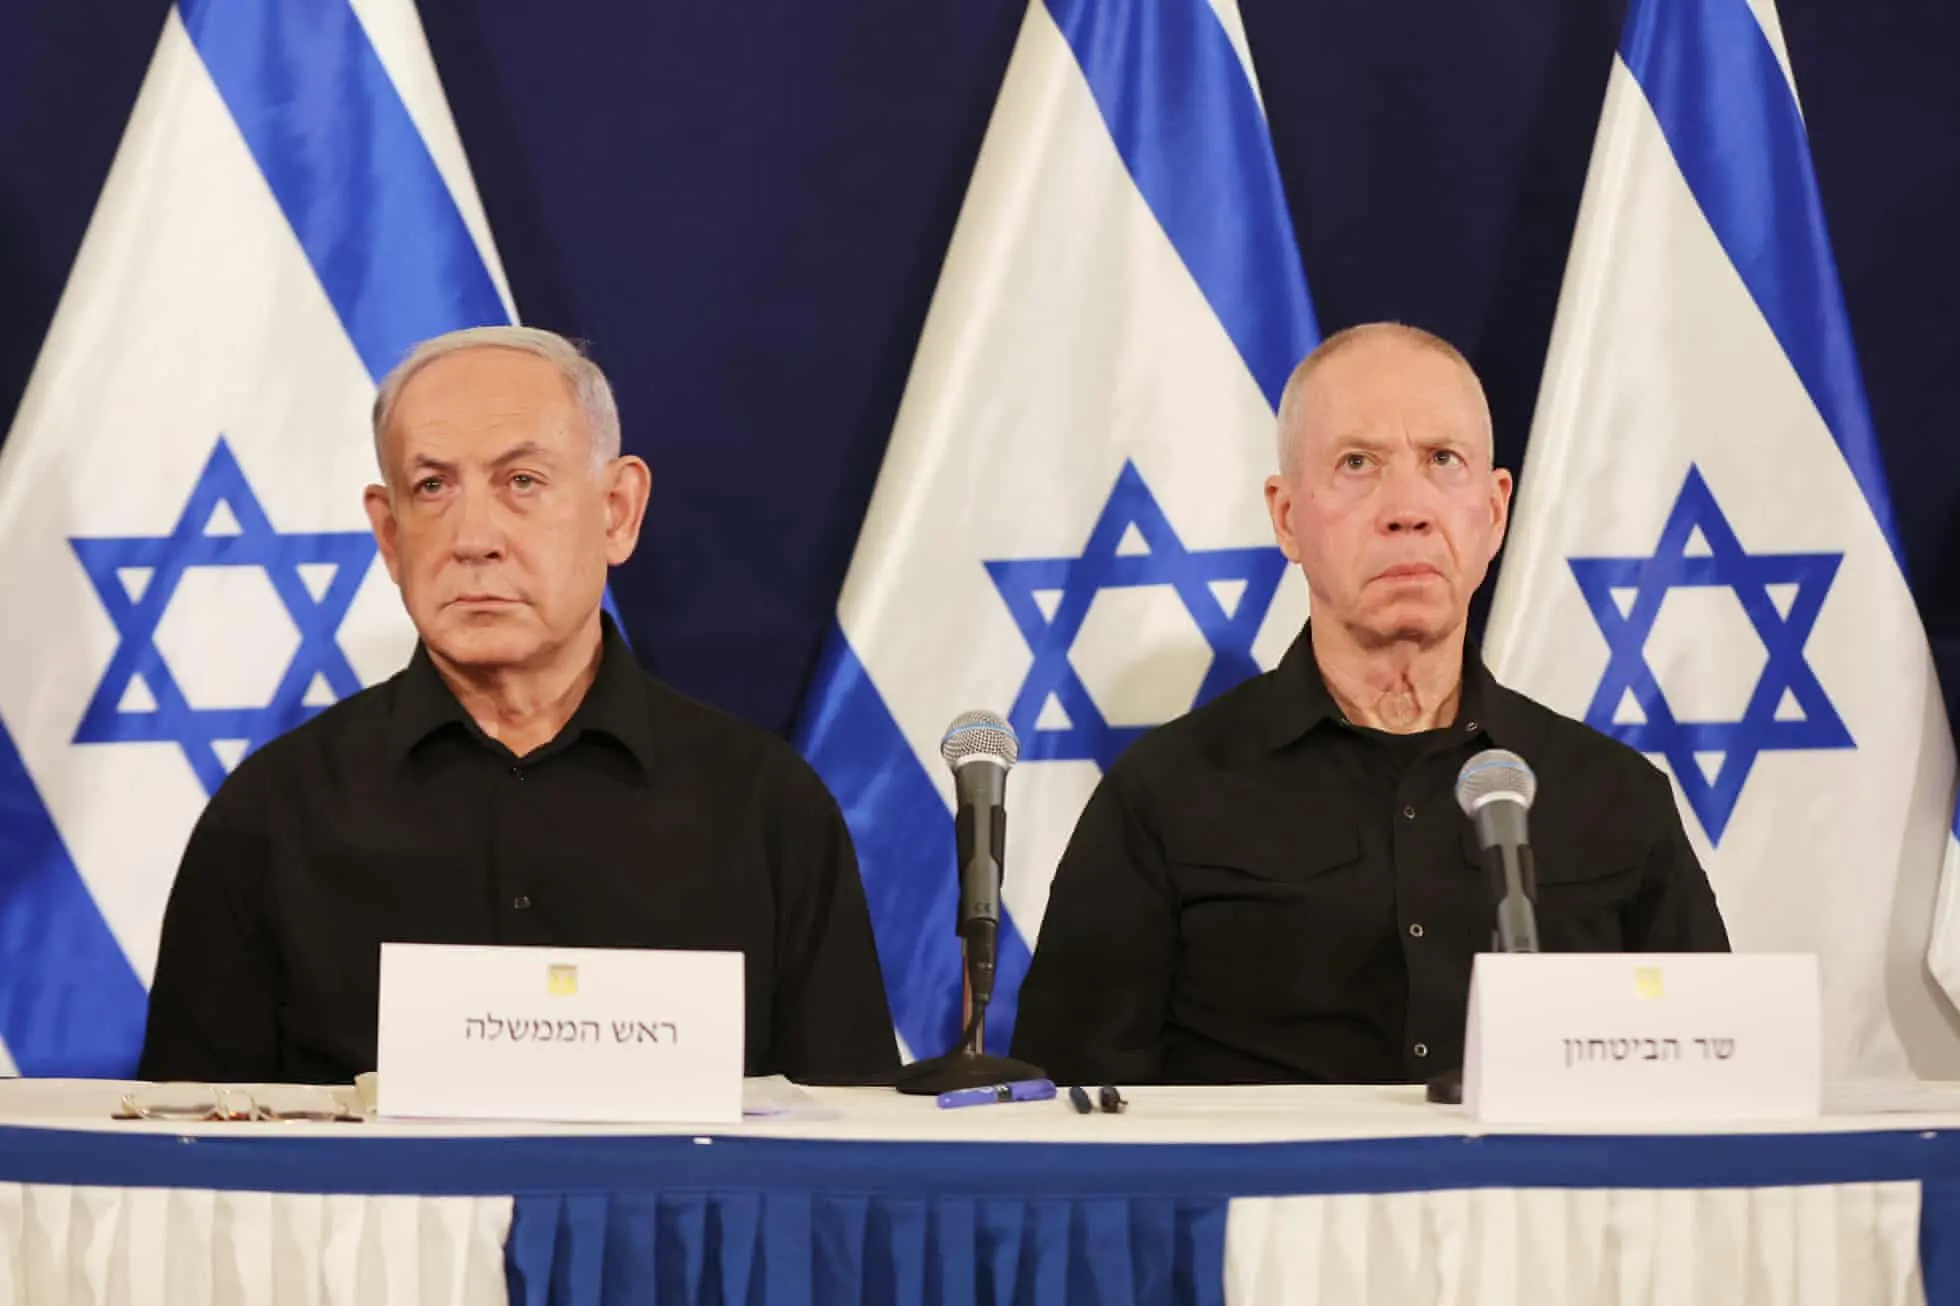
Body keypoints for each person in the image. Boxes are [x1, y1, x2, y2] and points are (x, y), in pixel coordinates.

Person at [138, 326, 896, 1086]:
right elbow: (190, 1169)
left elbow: (852, 1153)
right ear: (390, 533)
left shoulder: (766, 811)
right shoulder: (272, 816)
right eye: (432, 487)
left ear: (618, 511)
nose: (473, 538)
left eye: (522, 482)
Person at [1010, 322, 1728, 1086]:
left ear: (1494, 513)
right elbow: (1070, 1112)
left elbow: (1710, 1081)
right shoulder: (1163, 796)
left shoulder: (1616, 797)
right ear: (1287, 518)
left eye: (1442, 461)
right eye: (1358, 463)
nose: (1407, 508)